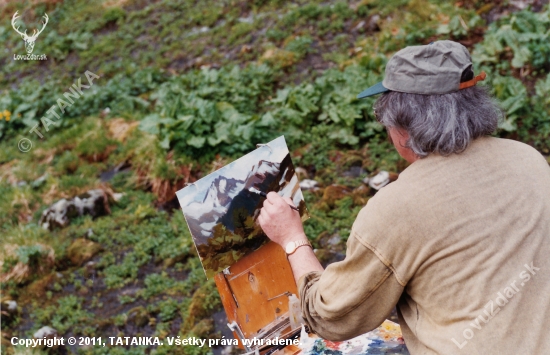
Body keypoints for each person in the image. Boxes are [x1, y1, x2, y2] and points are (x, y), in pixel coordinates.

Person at [257, 40, 550, 355]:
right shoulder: (527, 158)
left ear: (404, 129)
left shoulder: (397, 208)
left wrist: (292, 238)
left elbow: (333, 317)